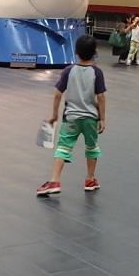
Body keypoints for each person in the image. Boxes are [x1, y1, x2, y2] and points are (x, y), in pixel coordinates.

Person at [36, 34, 107, 196]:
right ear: (95, 52)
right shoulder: (97, 72)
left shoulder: (69, 71)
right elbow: (101, 97)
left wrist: (54, 115)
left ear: (76, 52)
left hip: (71, 118)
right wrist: (102, 118)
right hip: (90, 118)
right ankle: (90, 179)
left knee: (63, 147)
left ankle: (54, 181)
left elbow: (57, 94)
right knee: (91, 147)